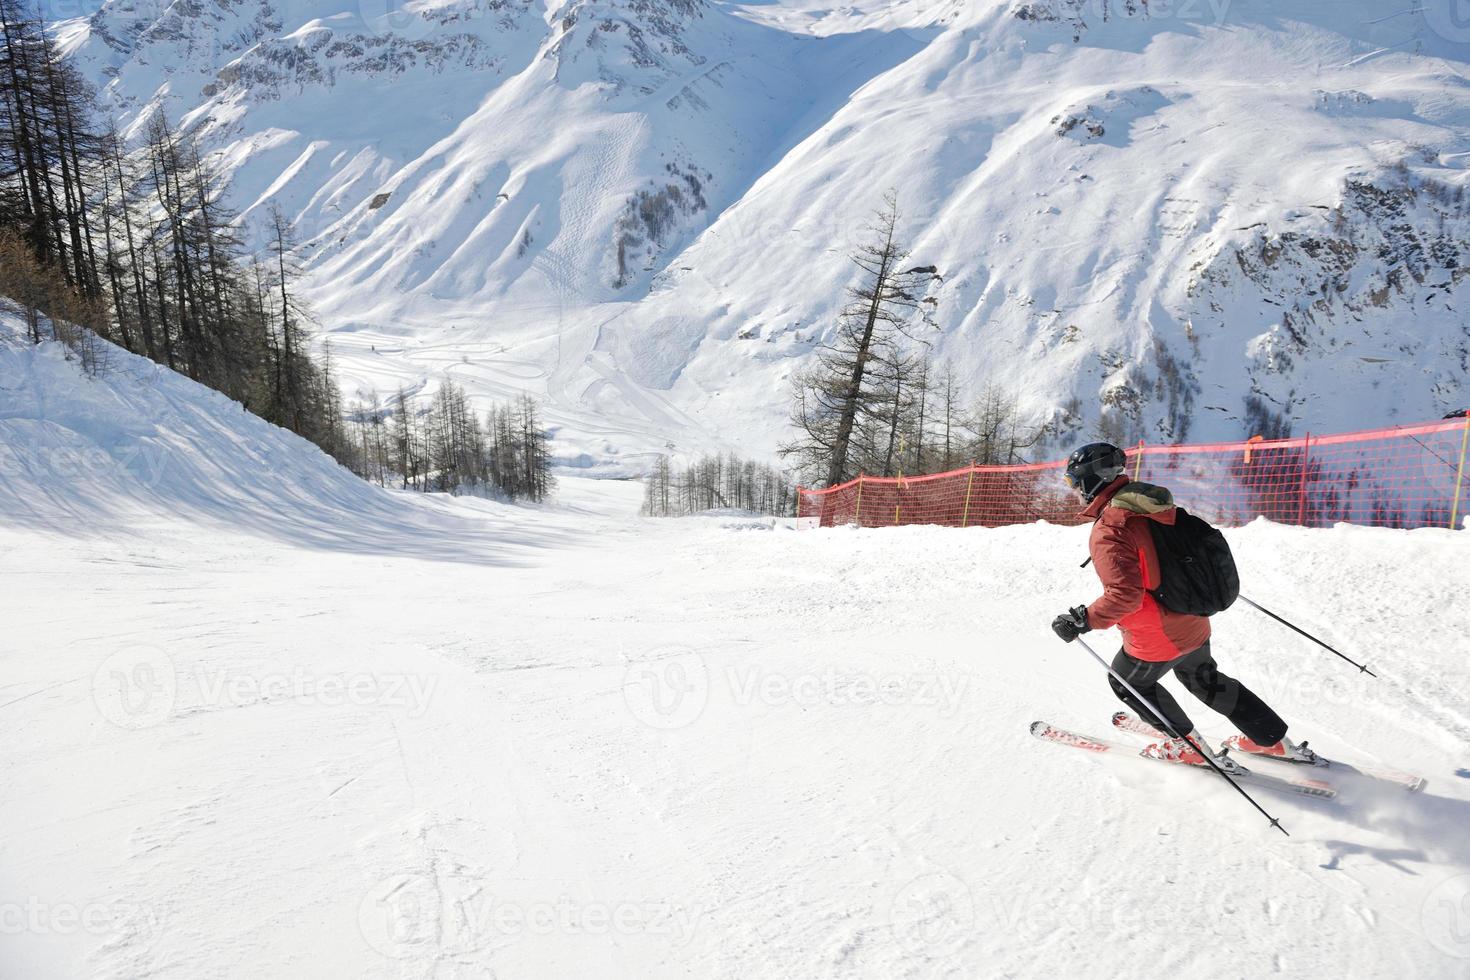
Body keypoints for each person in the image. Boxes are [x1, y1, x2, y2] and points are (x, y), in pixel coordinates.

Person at [1048, 442, 1315, 769]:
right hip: (1193, 619)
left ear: (1090, 481)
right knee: (1204, 679)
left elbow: (1125, 596)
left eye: (1073, 483)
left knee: (1127, 681)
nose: (1074, 491)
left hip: (1157, 633)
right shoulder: (1150, 503)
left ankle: (1186, 746)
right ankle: (1272, 741)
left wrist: (1082, 620)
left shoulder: (1111, 528)